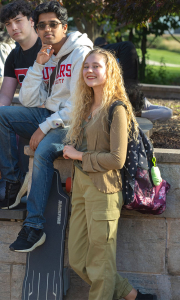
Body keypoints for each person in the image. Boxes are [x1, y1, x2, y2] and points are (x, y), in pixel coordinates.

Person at [0, 1, 92, 252]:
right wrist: (38, 65)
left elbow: (77, 105)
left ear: (64, 27)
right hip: (51, 115)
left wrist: (43, 128)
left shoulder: (81, 53)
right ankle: (13, 181)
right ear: (37, 29)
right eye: (42, 25)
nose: (47, 29)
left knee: (44, 150)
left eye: (53, 24)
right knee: (2, 115)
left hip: (74, 123)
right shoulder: (49, 55)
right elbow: (29, 101)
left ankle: (34, 226)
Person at [63, 48, 157, 300]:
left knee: (100, 262)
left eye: (96, 66)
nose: (90, 71)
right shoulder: (85, 106)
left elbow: (117, 159)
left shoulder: (117, 109)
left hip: (104, 190)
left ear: (109, 71)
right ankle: (132, 295)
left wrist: (78, 155)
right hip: (82, 188)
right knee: (78, 258)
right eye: (86, 66)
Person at [0, 0, 43, 203]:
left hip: (53, 116)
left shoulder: (47, 48)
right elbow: (5, 96)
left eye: (18, 21)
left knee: (3, 116)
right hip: (31, 116)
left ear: (31, 22)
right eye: (8, 24)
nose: (13, 27)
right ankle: (11, 179)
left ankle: (11, 179)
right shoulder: (13, 57)